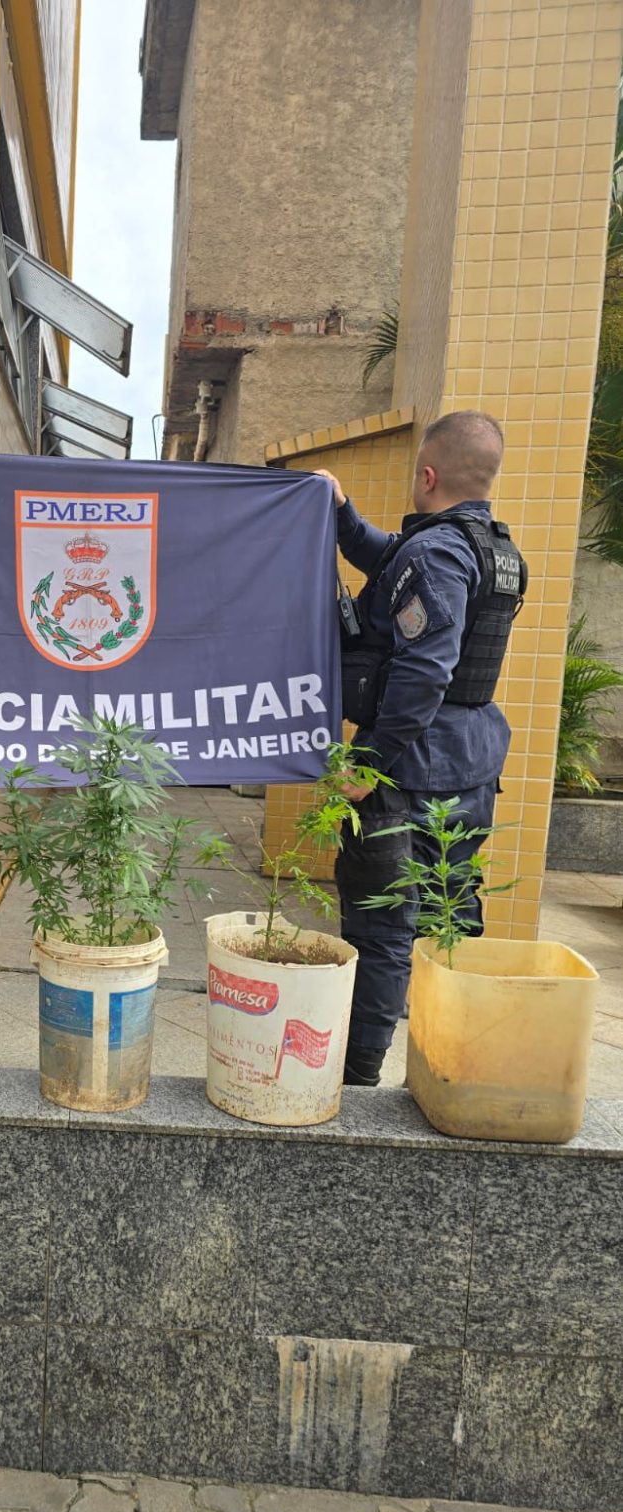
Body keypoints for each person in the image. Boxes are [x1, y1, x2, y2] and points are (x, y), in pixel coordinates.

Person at [314, 410, 526, 1086]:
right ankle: (452, 1074)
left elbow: (425, 669)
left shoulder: (435, 553)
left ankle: (357, 1083)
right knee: (448, 920)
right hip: (472, 763)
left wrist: (368, 762)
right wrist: (344, 516)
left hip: (411, 774)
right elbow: (391, 560)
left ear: (427, 475)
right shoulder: (492, 550)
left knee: (383, 932)